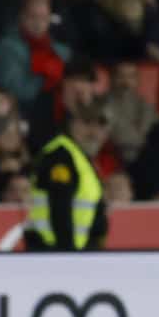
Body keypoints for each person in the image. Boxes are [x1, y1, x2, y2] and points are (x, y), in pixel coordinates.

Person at [25, 106, 110, 251]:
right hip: (52, 251)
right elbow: (60, 206)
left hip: (68, 252)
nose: (94, 132)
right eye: (87, 122)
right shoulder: (61, 156)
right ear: (72, 124)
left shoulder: (79, 157)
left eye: (100, 125)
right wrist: (68, 254)